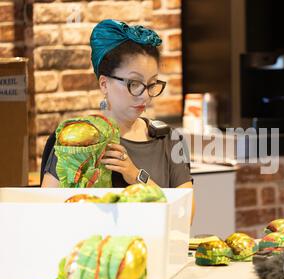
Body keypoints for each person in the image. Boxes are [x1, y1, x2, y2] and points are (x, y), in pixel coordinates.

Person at [41, 19, 195, 221]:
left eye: (151, 84)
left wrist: (137, 176)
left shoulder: (168, 140)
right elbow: (44, 212)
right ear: (104, 84)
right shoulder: (76, 140)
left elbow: (186, 215)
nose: (145, 96)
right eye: (134, 83)